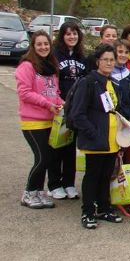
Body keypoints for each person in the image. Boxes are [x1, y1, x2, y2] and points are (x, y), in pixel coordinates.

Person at [71, 44, 123, 228]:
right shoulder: (88, 82)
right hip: (96, 140)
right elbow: (77, 114)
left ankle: (103, 208)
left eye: (112, 60)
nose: (109, 63)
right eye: (105, 60)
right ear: (97, 61)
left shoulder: (112, 83)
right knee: (92, 176)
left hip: (112, 141)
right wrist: (93, 133)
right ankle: (87, 212)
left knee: (105, 175)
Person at [15, 31, 64, 209]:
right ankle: (28, 192)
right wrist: (47, 104)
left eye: (46, 44)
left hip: (49, 121)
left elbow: (54, 93)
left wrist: (62, 104)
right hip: (32, 121)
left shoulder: (51, 66)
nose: (43, 47)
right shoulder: (26, 67)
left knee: (48, 158)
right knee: (42, 157)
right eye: (39, 44)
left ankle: (38, 191)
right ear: (33, 46)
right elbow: (25, 93)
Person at [51, 21, 87, 200]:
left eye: (75, 33)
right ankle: (54, 184)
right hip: (60, 106)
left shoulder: (81, 56)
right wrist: (58, 101)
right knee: (58, 146)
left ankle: (69, 183)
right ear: (62, 36)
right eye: (68, 34)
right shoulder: (55, 55)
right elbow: (52, 81)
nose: (72, 36)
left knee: (72, 147)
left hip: (76, 108)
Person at [111, 40, 130, 119]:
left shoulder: (128, 73)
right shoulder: (108, 72)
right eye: (120, 52)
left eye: (126, 52)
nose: (123, 55)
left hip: (126, 115)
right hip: (111, 115)